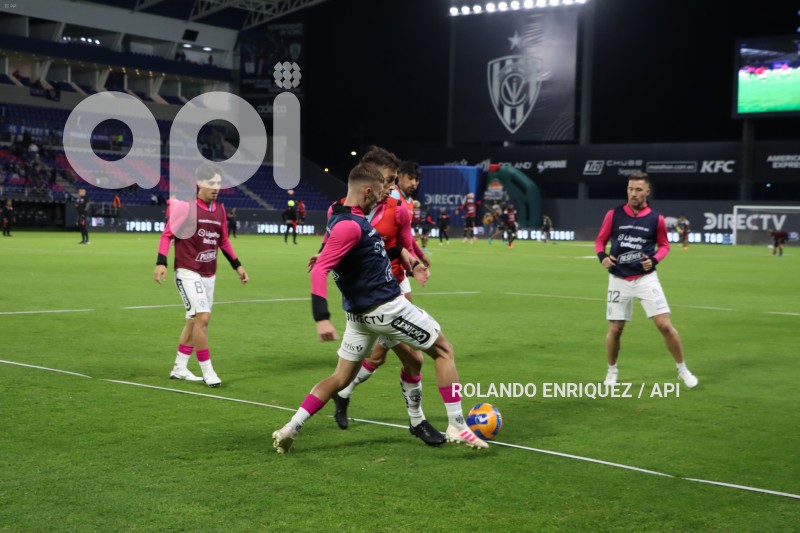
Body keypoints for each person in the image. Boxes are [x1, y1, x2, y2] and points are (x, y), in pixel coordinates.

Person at [272, 163, 487, 453]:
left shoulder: (340, 214)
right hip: (386, 308)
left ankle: (290, 428)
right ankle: (458, 426)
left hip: (359, 317)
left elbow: (360, 250)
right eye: (379, 191)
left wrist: (406, 258)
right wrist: (321, 318)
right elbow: (320, 270)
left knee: (340, 378)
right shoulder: (350, 225)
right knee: (444, 351)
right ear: (367, 190)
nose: (381, 198)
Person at [327, 147, 442, 446]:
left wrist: (417, 261)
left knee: (388, 357)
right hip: (370, 295)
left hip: (397, 286)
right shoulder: (344, 210)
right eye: (389, 179)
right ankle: (416, 420)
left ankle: (345, 393)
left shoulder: (399, 207)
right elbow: (335, 249)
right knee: (407, 357)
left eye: (393, 180)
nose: (391, 186)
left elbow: (403, 242)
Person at [594, 172, 698, 389]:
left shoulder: (656, 219)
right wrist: (602, 257)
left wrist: (654, 260)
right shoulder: (613, 214)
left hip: (646, 278)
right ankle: (611, 372)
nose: (633, 193)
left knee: (665, 325)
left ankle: (683, 369)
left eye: (638, 189)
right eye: (630, 189)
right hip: (618, 279)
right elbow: (600, 241)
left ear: (647, 192)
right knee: (615, 329)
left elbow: (665, 246)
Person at [153, 162, 249, 387]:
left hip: (209, 273)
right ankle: (208, 371)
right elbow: (167, 235)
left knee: (193, 320)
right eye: (211, 183)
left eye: (218, 183)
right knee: (203, 317)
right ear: (199, 184)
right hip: (187, 270)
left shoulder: (220, 210)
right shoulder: (186, 207)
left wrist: (238, 265)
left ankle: (179, 367)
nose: (215, 187)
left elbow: (223, 240)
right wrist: (161, 263)